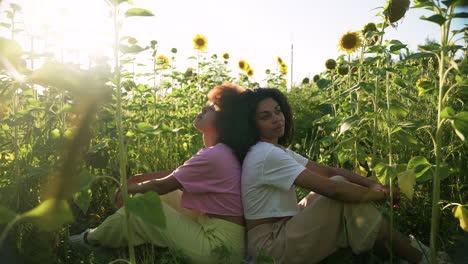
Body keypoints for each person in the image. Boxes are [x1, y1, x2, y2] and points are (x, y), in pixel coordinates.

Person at [224, 87, 435, 264]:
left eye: (278, 111)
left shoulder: (275, 150)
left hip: (280, 230)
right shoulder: (265, 153)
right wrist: (383, 196)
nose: (277, 119)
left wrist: (372, 186)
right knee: (340, 195)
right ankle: (419, 256)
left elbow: (329, 172)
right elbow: (331, 189)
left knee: (341, 184)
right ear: (252, 124)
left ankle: (403, 252)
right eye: (265, 116)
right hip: (269, 248)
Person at [70, 82, 246, 264]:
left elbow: (162, 185)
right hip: (223, 238)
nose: (203, 108)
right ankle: (119, 233)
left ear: (226, 121)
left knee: (140, 206)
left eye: (212, 108)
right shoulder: (223, 151)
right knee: (168, 197)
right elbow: (178, 174)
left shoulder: (215, 154)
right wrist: (141, 179)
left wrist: (128, 189)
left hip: (217, 250)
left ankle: (89, 240)